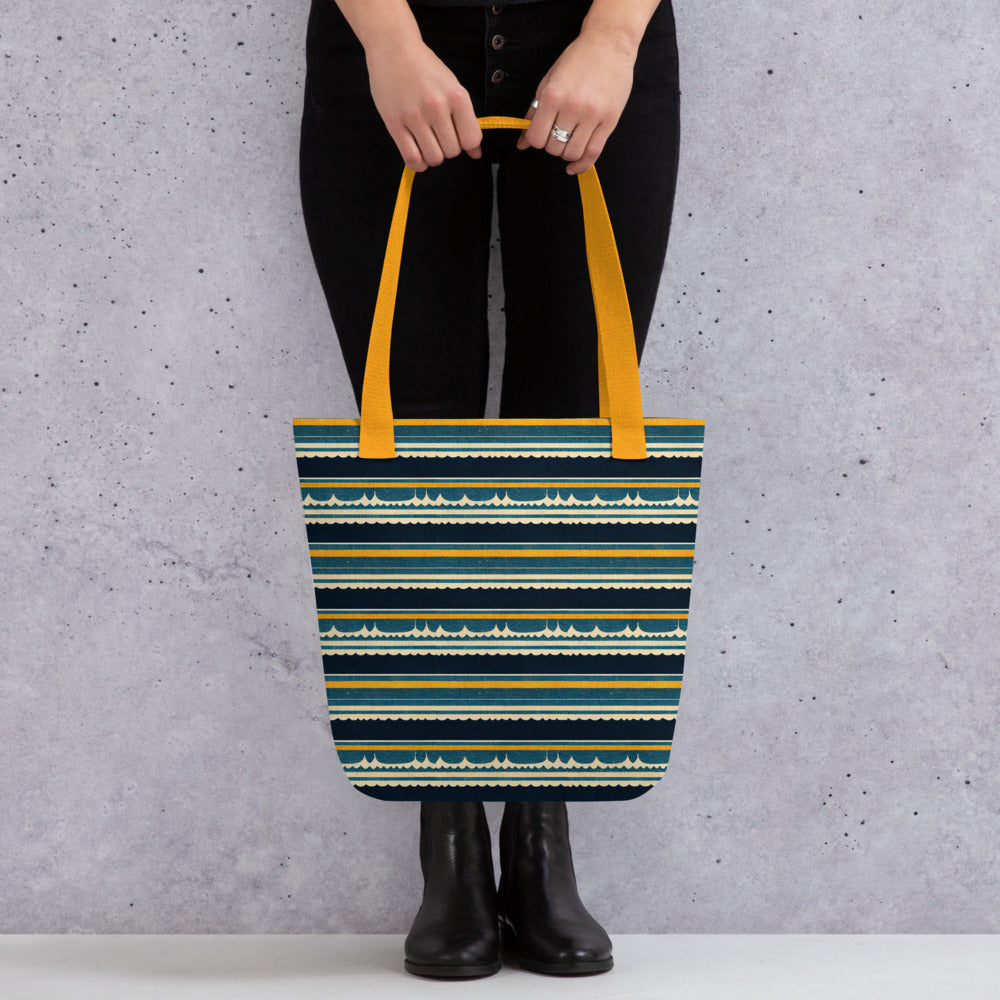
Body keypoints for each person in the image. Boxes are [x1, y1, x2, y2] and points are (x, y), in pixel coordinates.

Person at [298, 0, 681, 979]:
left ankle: (539, 834)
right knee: (416, 452)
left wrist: (614, 38)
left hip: (594, 32)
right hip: (391, 35)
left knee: (573, 447)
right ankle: (452, 839)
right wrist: (389, 41)